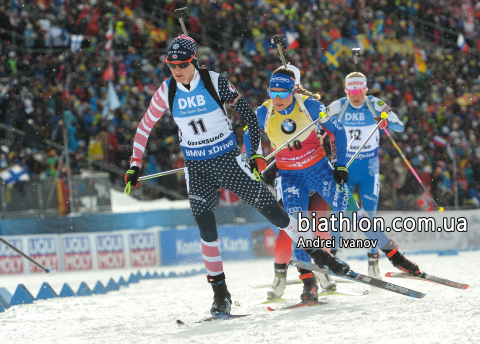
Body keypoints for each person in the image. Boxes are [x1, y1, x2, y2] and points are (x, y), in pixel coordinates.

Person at [124, 35, 350, 314]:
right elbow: (144, 126)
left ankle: (318, 255)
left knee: (276, 214)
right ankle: (221, 294)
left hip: (228, 161)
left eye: (182, 64)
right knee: (206, 230)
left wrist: (254, 153)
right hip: (197, 168)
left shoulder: (214, 81)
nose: (176, 70)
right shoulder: (166, 90)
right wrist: (135, 164)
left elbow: (249, 116)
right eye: (171, 65)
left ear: (193, 61)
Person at [244, 66, 422, 301]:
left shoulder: (309, 106)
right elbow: (249, 135)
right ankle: (309, 284)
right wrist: (254, 157)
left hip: (319, 171)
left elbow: (337, 132)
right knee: (298, 228)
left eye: (282, 93)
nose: (277, 99)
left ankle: (396, 257)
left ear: (293, 90)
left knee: (354, 214)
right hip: (290, 177)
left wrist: (339, 164)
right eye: (272, 93)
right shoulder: (264, 111)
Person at [327, 71, 406, 281]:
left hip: (369, 168)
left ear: (365, 89)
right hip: (346, 166)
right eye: (352, 90)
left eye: (359, 90)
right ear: (346, 90)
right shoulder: (339, 106)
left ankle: (373, 263)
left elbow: (400, 125)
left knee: (369, 217)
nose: (356, 95)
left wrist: (387, 120)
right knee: (337, 214)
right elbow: (317, 121)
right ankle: (332, 260)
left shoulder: (374, 104)